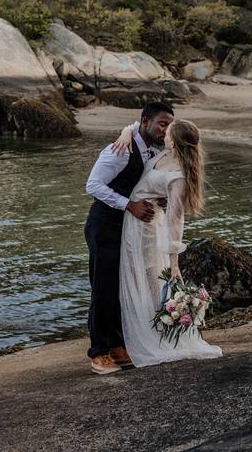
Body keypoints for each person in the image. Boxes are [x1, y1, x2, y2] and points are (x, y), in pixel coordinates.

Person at [113, 118, 222, 367]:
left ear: (175, 141)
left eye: (169, 131)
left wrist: (175, 263)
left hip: (149, 229)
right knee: (135, 279)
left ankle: (154, 337)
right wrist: (126, 133)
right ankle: (144, 333)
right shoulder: (163, 155)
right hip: (134, 224)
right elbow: (134, 127)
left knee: (149, 281)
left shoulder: (179, 176)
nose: (164, 133)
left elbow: (176, 221)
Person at [84, 102, 174, 375]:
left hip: (125, 230)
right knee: (103, 289)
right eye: (162, 123)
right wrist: (129, 205)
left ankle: (117, 346)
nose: (165, 129)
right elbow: (93, 185)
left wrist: (156, 199)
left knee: (120, 288)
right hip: (104, 226)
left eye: (169, 125)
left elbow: (138, 184)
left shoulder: (149, 150)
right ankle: (99, 352)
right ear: (145, 121)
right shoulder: (120, 150)